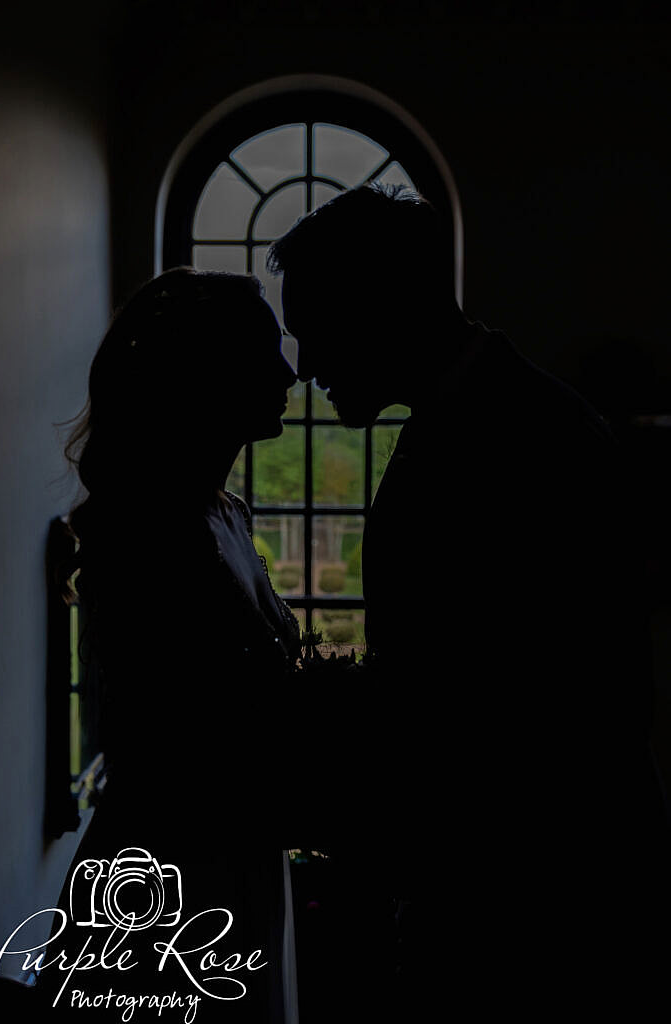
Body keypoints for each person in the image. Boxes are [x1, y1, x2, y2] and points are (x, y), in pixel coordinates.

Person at [267, 183, 670, 1013]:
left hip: (534, 910)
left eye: (315, 332)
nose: (305, 368)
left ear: (378, 303)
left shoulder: (519, 439)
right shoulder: (497, 416)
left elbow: (523, 706)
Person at [38, 268, 300, 1022]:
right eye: (264, 351)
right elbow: (179, 737)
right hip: (169, 875)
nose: (288, 370)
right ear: (204, 372)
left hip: (238, 857)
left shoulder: (228, 514)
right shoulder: (146, 528)